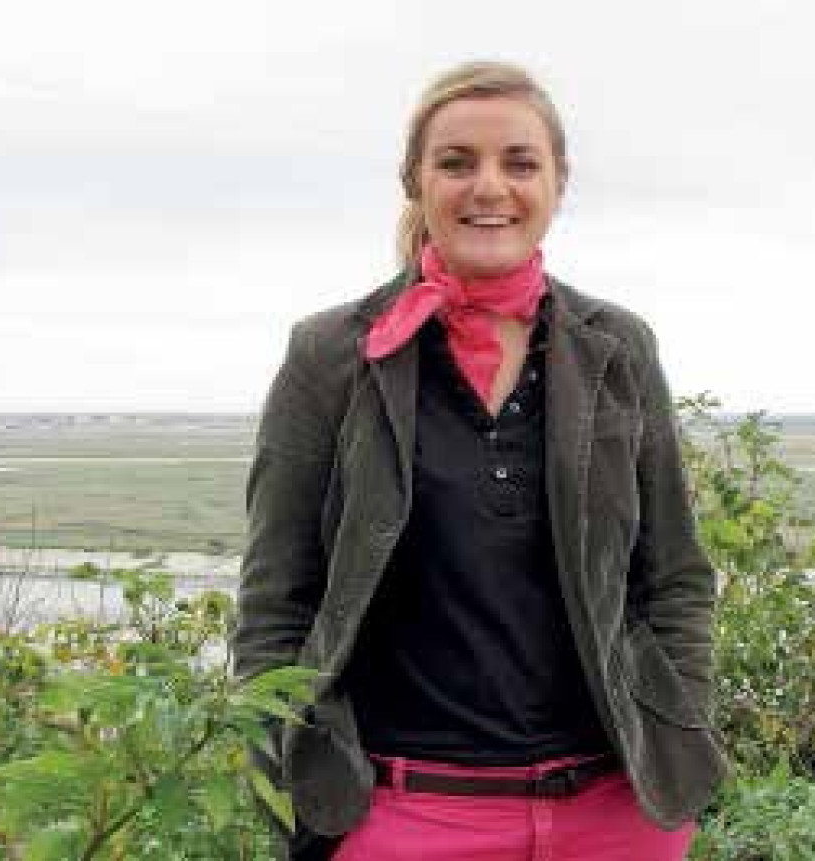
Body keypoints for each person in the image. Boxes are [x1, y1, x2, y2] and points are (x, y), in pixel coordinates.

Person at [232, 60, 726, 861]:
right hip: (397, 819)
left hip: (612, 817)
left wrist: (678, 736)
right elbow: (274, 602)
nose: (488, 186)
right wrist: (297, 780)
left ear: (558, 183)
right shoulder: (331, 355)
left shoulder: (617, 348)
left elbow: (675, 574)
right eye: (456, 162)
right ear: (416, 182)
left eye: (519, 162)